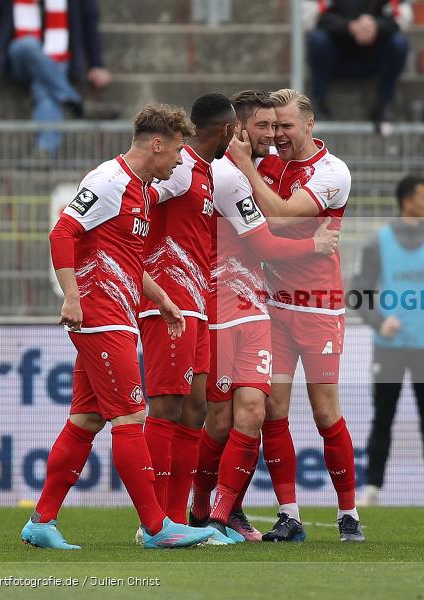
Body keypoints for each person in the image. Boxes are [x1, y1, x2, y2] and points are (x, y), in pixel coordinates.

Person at [26, 104, 216, 549]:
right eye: (175, 151)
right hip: (99, 314)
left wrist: (163, 299)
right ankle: (156, 528)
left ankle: (41, 522)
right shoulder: (108, 182)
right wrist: (72, 296)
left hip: (121, 312)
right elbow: (62, 233)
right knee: (131, 417)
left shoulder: (142, 192)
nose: (178, 161)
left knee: (85, 419)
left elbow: (128, 260)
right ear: (157, 143)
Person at [188, 89, 339, 542]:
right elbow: (265, 242)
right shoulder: (224, 175)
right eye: (263, 127)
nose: (272, 135)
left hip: (254, 308)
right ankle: (194, 510)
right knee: (216, 420)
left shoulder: (257, 171)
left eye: (277, 126)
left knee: (255, 410)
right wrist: (315, 246)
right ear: (237, 130)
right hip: (216, 309)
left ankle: (221, 514)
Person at [226, 88, 364, 542]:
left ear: (310, 125)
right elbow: (257, 221)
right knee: (272, 409)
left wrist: (248, 169)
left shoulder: (332, 172)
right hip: (273, 305)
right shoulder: (267, 162)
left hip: (320, 307)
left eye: (286, 126)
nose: (279, 135)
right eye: (273, 126)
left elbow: (281, 214)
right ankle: (290, 515)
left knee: (326, 413)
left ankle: (349, 515)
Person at [137, 93, 235, 537]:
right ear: (229, 130)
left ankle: (178, 520)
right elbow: (135, 203)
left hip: (196, 301)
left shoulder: (203, 173)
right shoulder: (178, 172)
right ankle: (153, 522)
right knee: (166, 405)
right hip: (168, 299)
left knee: (196, 406)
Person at [352, 174, 424, 507]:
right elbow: (358, 292)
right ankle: (372, 488)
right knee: (383, 416)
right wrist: (378, 320)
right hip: (389, 346)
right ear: (407, 202)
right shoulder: (378, 242)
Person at [0, 0, 115, 156]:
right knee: (29, 45)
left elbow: (89, 20)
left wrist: (96, 65)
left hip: (59, 56)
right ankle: (75, 102)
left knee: (45, 88)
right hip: (19, 58)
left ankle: (45, 150)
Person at [304, 0, 412, 125]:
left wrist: (375, 25)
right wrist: (349, 26)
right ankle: (319, 104)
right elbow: (313, 19)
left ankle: (383, 104)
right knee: (317, 40)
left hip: (374, 56)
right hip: (336, 56)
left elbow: (401, 20)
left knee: (399, 43)